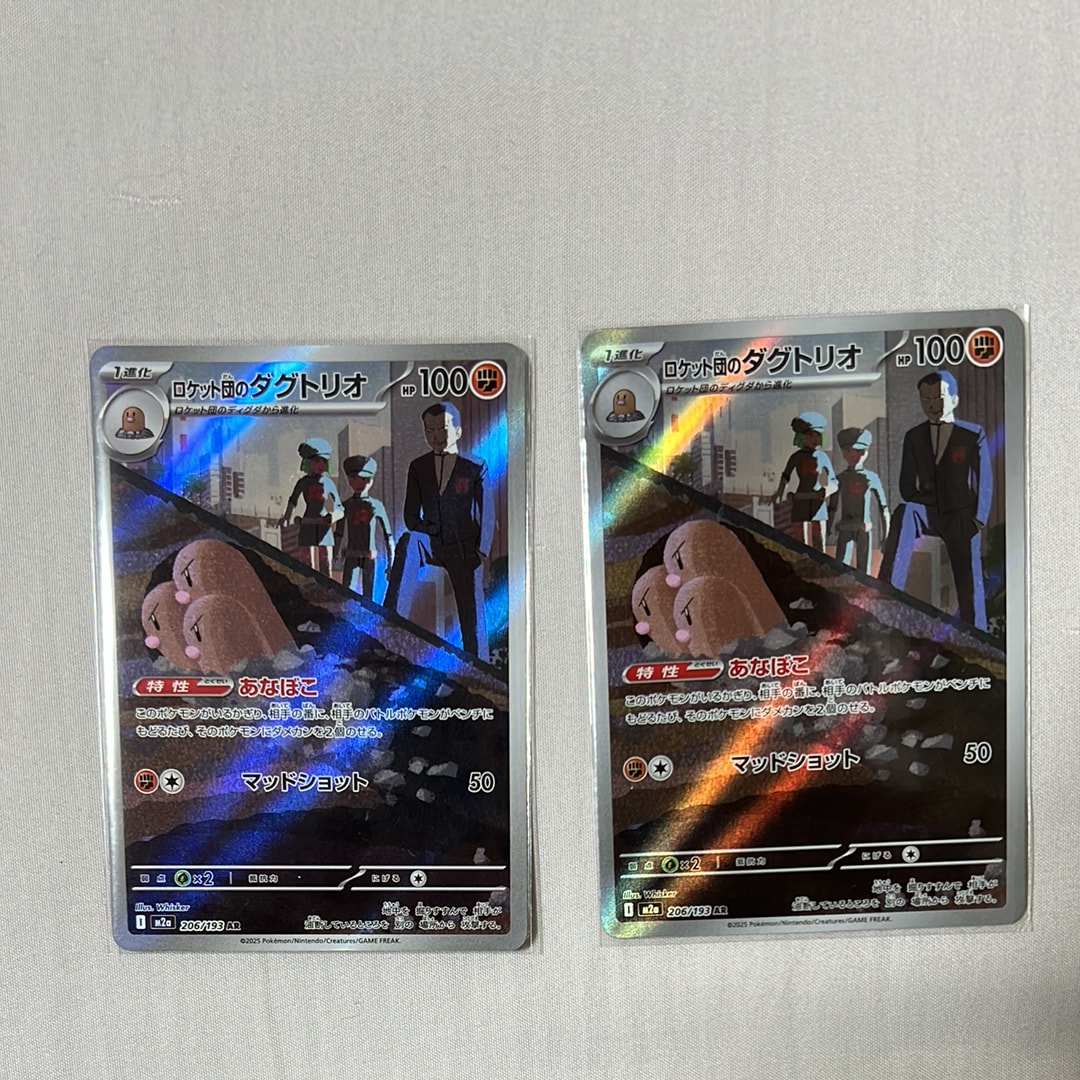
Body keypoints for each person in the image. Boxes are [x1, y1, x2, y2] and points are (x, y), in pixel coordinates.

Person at [879, 371, 991, 629]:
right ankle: (888, 592)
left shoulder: (972, 434)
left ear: (954, 399)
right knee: (905, 511)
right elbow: (906, 485)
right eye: (926, 399)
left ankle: (977, 632)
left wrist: (978, 520)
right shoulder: (914, 436)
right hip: (928, 510)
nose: (931, 405)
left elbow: (984, 480)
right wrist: (928, 501)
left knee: (968, 579)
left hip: (962, 516)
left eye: (938, 398)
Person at [388, 402, 494, 659]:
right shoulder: (418, 467)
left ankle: (478, 663)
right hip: (432, 542)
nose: (436, 436)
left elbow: (488, 512)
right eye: (429, 430)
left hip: (464, 548)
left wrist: (481, 552)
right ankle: (390, 622)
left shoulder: (475, 466)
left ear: (458, 431)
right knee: (410, 540)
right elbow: (410, 516)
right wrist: (430, 529)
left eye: (442, 429)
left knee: (472, 617)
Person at [774, 411, 837, 552]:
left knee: (819, 542)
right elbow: (786, 476)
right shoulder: (796, 457)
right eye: (810, 435)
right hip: (800, 501)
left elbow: (834, 481)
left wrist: (826, 490)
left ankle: (820, 564)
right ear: (802, 437)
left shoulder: (823, 457)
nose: (814, 439)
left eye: (817, 435)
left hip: (817, 502)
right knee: (799, 542)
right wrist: (779, 493)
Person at [278, 438, 343, 575]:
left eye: (323, 461)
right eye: (316, 461)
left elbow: (340, 508)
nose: (320, 465)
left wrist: (333, 516)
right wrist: (287, 516)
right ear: (308, 462)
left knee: (325, 561)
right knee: (307, 562)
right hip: (307, 524)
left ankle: (326, 585)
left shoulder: (328, 483)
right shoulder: (303, 482)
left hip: (324, 525)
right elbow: (293, 500)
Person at [830, 427, 889, 573]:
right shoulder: (840, 479)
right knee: (840, 568)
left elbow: (883, 508)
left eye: (857, 450)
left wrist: (887, 535)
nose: (853, 455)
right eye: (848, 451)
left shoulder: (871, 478)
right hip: (845, 527)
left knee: (863, 571)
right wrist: (828, 528)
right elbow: (832, 507)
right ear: (844, 453)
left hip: (863, 528)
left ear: (864, 452)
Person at [335, 454, 394, 601]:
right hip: (351, 555)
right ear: (349, 480)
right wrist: (335, 555)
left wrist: (391, 562)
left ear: (370, 479)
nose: (359, 483)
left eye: (364, 478)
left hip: (369, 556)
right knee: (347, 594)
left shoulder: (376, 506)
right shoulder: (346, 505)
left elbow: (388, 536)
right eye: (354, 478)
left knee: (369, 596)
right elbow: (339, 533)